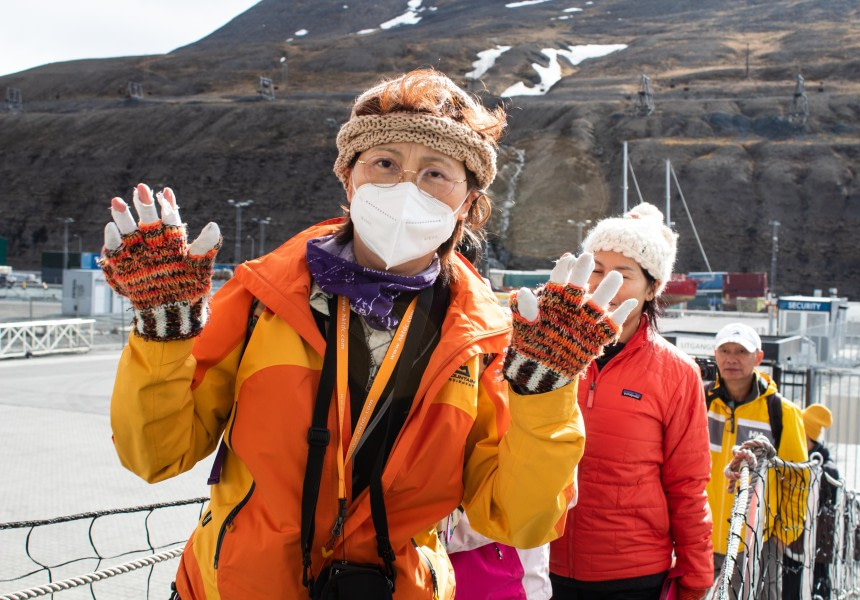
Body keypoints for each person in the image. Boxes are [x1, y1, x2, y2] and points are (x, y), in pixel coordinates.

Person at [98, 68, 636, 600]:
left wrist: (545, 396)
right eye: (385, 164)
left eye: (435, 173)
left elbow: (520, 520)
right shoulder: (264, 297)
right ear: (349, 179)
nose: (406, 188)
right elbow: (155, 454)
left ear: (467, 203)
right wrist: (162, 333)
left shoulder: (486, 340)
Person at [548, 203, 714, 600]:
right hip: (540, 559)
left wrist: (696, 575)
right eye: (597, 270)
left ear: (652, 287)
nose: (604, 284)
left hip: (630, 572)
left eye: (623, 275)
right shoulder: (546, 351)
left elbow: (688, 483)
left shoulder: (676, 372)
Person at [705, 323, 809, 599]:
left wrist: (782, 535)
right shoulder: (699, 400)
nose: (731, 359)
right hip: (701, 536)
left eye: (741, 351)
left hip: (755, 542)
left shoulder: (783, 412)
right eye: (725, 350)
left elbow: (797, 479)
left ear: (758, 358)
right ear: (715, 354)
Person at [783, 404, 839, 600]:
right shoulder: (821, 464)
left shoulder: (822, 470)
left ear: (806, 437)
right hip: (801, 545)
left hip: (806, 546)